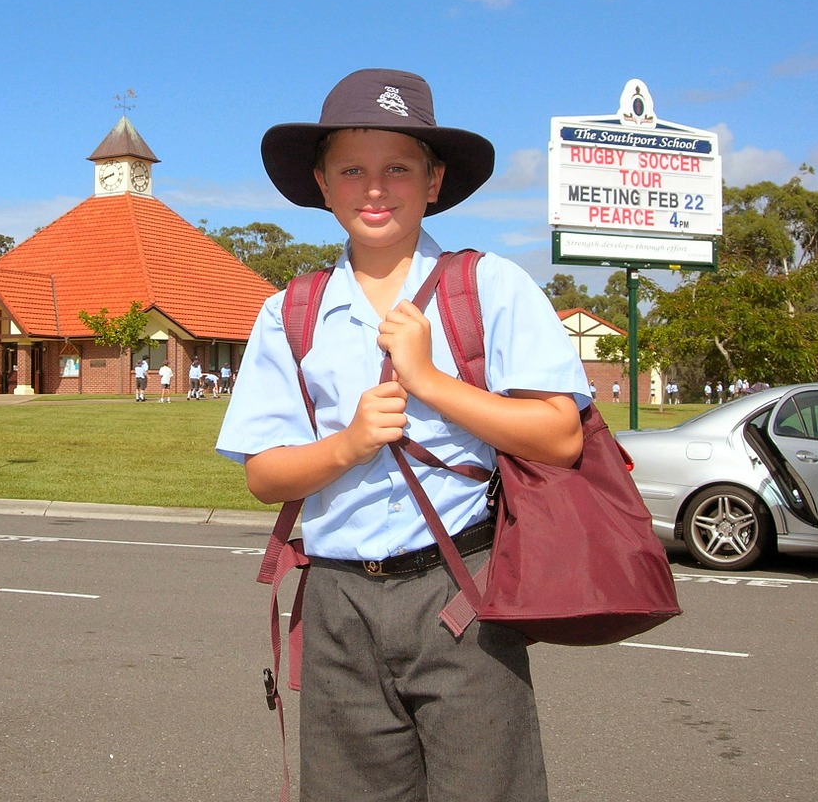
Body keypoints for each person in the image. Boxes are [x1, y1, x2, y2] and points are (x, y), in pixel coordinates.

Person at [216, 68, 588, 802]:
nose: (374, 188)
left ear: (434, 181)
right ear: (323, 184)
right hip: (337, 602)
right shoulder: (289, 312)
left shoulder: (489, 287)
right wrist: (349, 444)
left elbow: (559, 435)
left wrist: (430, 382)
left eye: (398, 168)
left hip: (462, 594)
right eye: (352, 169)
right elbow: (264, 476)